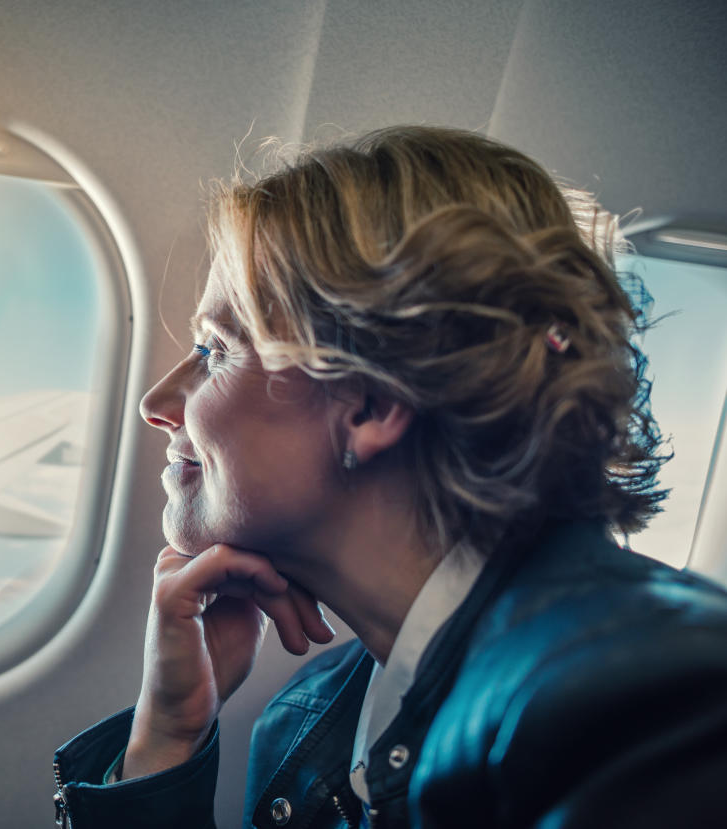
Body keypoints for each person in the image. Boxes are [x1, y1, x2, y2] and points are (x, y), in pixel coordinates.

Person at [52, 126, 727, 828]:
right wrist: (165, 736)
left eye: (216, 349)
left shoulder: (647, 704)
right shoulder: (309, 719)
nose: (156, 404)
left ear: (372, 402)